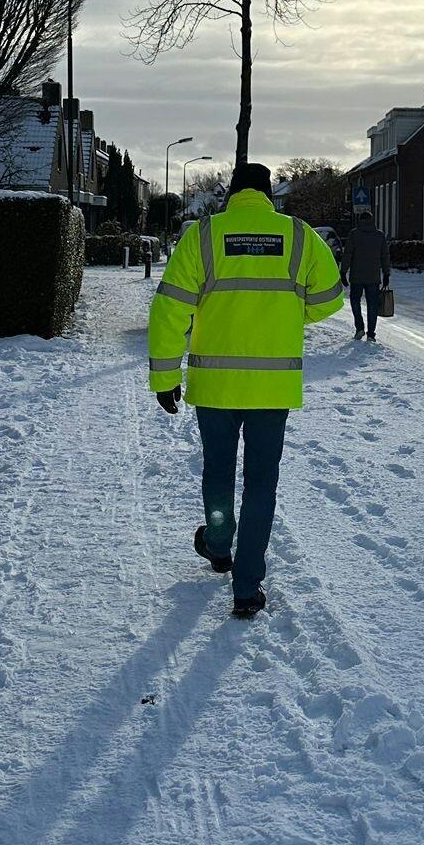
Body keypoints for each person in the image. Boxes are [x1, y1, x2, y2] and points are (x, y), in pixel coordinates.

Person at [148, 162, 344, 618]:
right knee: (261, 485)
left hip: (215, 385)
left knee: (218, 472)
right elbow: (331, 297)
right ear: (270, 193)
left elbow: (170, 310)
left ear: (231, 194)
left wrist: (164, 378)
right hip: (272, 388)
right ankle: (247, 587)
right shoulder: (298, 236)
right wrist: (287, 318)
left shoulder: (202, 236)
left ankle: (218, 545)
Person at [342, 209, 392, 341]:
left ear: (360, 220)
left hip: (356, 276)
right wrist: (386, 274)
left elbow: (348, 254)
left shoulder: (353, 234)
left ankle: (359, 328)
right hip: (373, 277)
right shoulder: (379, 235)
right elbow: (385, 256)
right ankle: (371, 333)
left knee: (355, 301)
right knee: (372, 305)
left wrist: (343, 272)